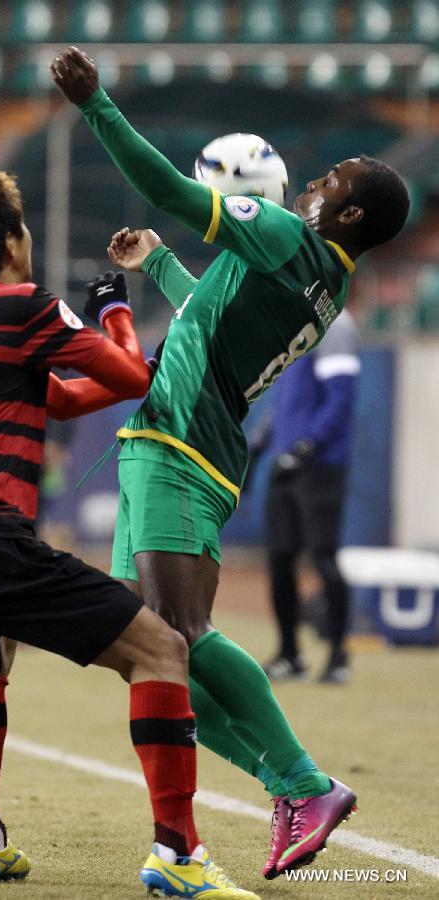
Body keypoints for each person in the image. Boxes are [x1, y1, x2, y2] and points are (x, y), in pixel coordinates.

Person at [50, 46, 410, 879]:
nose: (313, 182)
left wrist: (97, 106)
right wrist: (160, 265)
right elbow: (210, 313)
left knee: (178, 633)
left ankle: (303, 782)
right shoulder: (320, 279)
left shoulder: (287, 237)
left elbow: (176, 193)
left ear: (349, 217)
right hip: (170, 444)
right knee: (149, 652)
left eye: (332, 180)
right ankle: (287, 785)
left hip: (182, 448)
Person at [0, 164, 260, 899]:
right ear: (12, 241)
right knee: (159, 649)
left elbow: (54, 399)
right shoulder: (26, 304)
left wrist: (127, 365)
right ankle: (177, 853)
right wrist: (114, 308)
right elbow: (124, 378)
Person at [257, 308, 361, 684]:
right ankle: (290, 654)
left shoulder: (336, 325)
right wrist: (262, 443)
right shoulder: (298, 325)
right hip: (285, 463)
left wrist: (305, 446)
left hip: (320, 466)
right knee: (280, 560)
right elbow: (286, 401)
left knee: (323, 557)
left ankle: (338, 656)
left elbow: (341, 398)